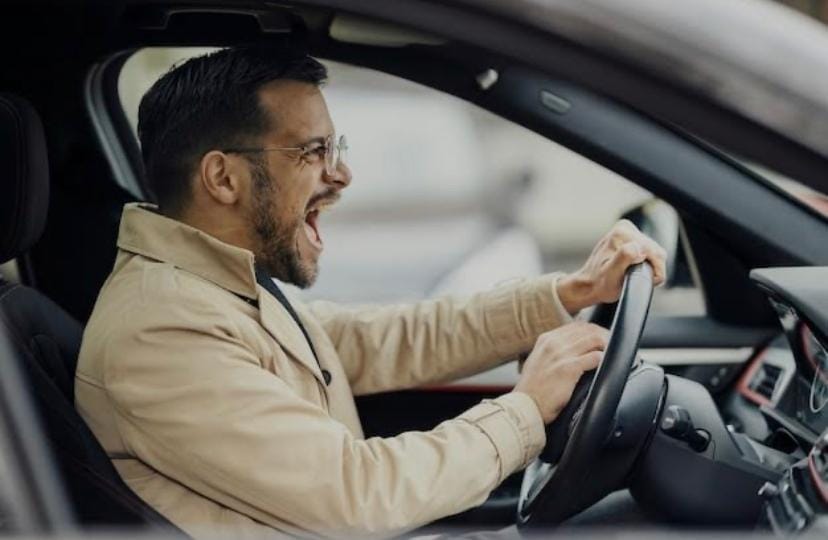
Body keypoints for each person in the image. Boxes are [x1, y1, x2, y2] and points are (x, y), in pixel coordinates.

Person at [75, 46, 666, 539]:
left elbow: (378, 339)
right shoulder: (162, 327)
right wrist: (528, 409)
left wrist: (568, 292)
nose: (342, 174)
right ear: (223, 178)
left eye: (337, 148)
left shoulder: (217, 288)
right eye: (313, 152)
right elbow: (354, 495)